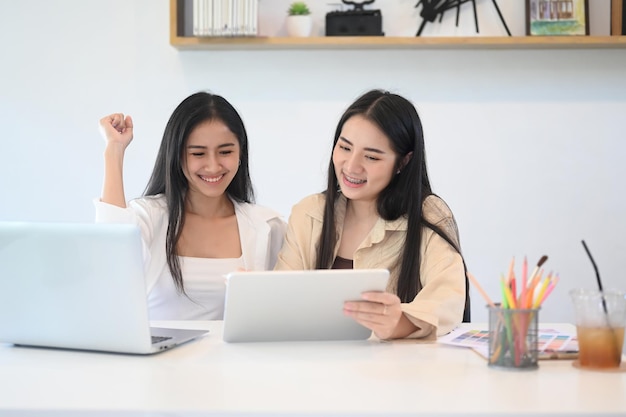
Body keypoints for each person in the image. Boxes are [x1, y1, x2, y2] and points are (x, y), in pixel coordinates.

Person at [275, 89, 469, 340]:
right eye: (345, 148)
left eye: (371, 156)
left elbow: (448, 298)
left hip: (397, 371)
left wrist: (400, 322)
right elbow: (282, 297)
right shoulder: (309, 213)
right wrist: (259, 295)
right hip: (317, 367)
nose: (351, 166)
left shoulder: (428, 214)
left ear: (403, 163)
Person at [96, 91, 286, 320]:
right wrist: (114, 149)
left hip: (234, 357)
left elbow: (287, 308)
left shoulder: (268, 226)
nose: (213, 166)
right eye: (198, 153)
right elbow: (109, 251)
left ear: (240, 153)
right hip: (158, 355)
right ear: (177, 155)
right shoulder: (150, 216)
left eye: (225, 152)